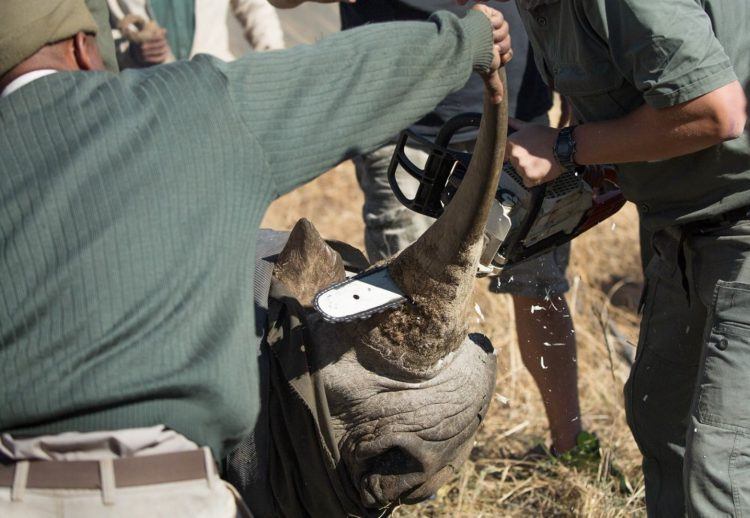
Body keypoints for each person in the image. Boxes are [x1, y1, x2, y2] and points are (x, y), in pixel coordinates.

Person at [0, 0, 511, 514]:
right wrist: (464, 39)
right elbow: (343, 75)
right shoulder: (183, 105)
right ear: (84, 49)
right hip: (160, 491)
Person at [270, 0, 584, 455]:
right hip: (406, 121)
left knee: (541, 289)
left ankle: (570, 447)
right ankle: (404, 462)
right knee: (404, 307)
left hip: (522, 121)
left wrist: (576, 78)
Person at [482, 0, 749, 515]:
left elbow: (717, 111)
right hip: (680, 227)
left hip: (739, 220)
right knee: (660, 421)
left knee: (724, 468)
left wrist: (565, 147)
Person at [107, 0, 284, 68]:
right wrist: (132, 53)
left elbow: (255, 7)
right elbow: (95, 36)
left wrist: (274, 59)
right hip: (150, 93)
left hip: (216, 81)